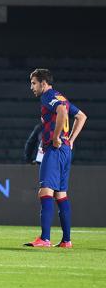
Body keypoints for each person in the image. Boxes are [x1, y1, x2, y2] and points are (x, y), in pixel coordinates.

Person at [24, 69, 86, 248]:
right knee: (61, 194)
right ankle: (66, 240)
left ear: (43, 83)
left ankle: (45, 238)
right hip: (66, 151)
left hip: (55, 149)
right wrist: (71, 140)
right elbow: (81, 116)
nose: (32, 87)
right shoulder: (61, 97)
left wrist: (57, 137)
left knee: (45, 192)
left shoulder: (48, 96)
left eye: (34, 83)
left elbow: (62, 112)